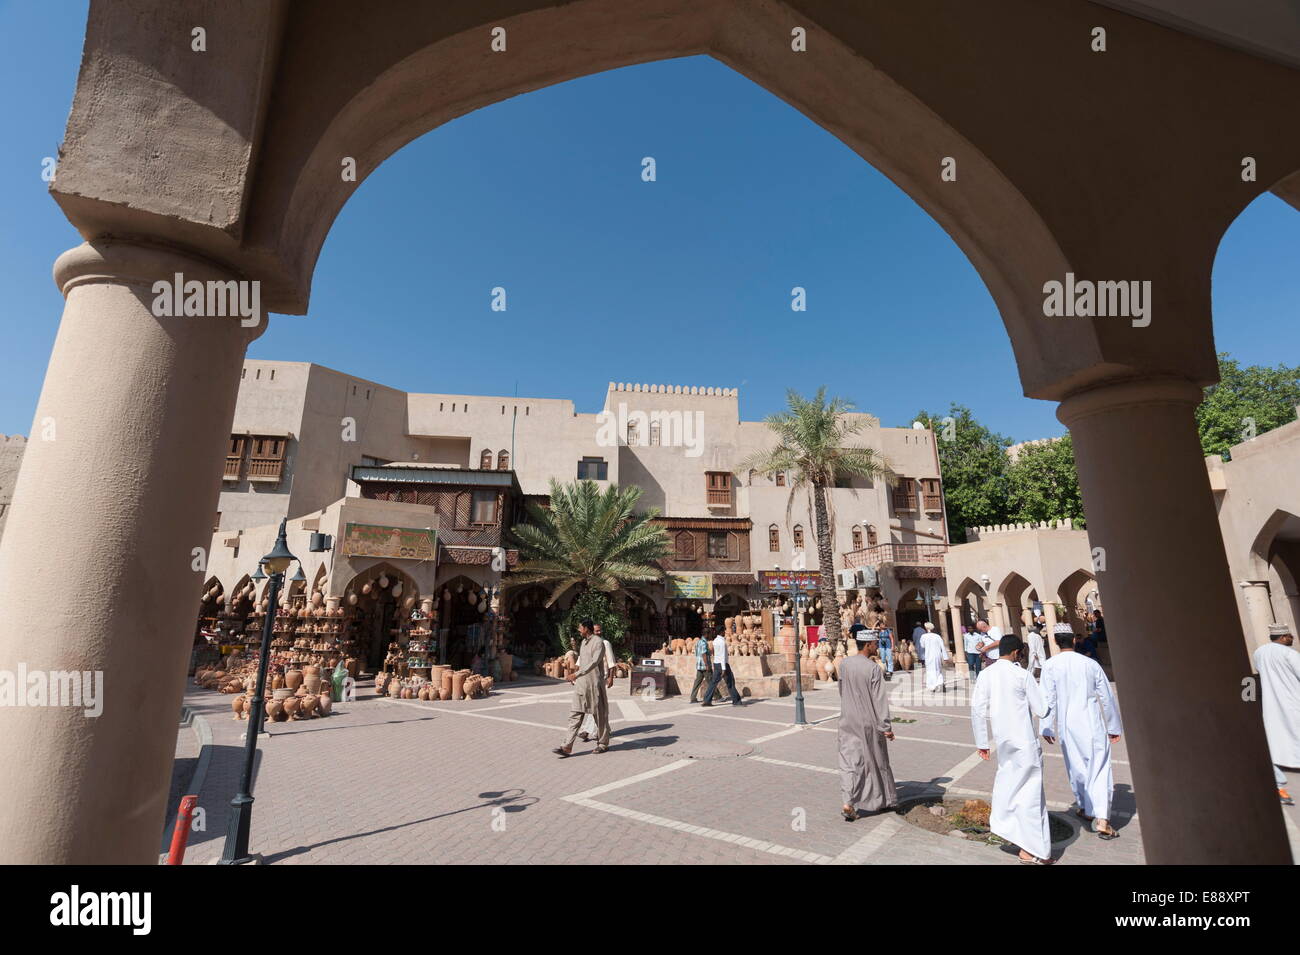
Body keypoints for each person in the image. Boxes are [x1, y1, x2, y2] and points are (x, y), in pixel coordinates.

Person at [970, 634, 1053, 864]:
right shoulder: (1021, 674)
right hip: (1025, 743)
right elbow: (1042, 708)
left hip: (1003, 743)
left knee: (1009, 787)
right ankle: (1033, 850)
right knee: (1031, 794)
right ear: (1016, 653)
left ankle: (1011, 832)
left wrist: (982, 743)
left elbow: (977, 709)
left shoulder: (986, 674)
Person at [1040, 623, 1122, 839]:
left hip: (1068, 726)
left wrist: (1046, 725)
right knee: (1099, 768)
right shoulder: (1089, 664)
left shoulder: (1050, 665)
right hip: (1091, 722)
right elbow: (1106, 695)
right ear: (1074, 640)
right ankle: (1101, 818)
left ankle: (1087, 808)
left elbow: (1047, 698)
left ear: (1056, 642)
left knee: (1077, 768)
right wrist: (1113, 726)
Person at [837, 631, 897, 821]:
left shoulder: (845, 664)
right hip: (868, 721)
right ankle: (883, 799)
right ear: (868, 644)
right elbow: (879, 700)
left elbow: (841, 688)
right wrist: (886, 726)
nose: (877, 646)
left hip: (847, 719)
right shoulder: (873, 668)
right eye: (875, 643)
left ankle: (848, 801)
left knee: (848, 761)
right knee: (875, 760)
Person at [1253, 623, 1300, 806]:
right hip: (1293, 702)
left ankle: (1278, 785)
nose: (1292, 638)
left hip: (1272, 704)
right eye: (1289, 635)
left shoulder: (1259, 652)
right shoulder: (1290, 654)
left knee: (1275, 742)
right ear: (1282, 637)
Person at [553, 619, 609, 756]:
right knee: (575, 715)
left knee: (599, 716)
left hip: (594, 685)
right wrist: (575, 675)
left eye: (580, 627)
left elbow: (594, 662)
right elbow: (582, 662)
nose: (579, 629)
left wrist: (576, 674)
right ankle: (566, 746)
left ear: (586, 629)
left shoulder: (599, 642)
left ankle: (603, 743)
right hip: (581, 685)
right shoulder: (583, 643)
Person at [579, 623, 617, 741]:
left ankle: (587, 730)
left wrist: (611, 678)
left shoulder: (605, 643)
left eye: (600, 630)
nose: (599, 633)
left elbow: (611, 662)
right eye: (596, 631)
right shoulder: (586, 643)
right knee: (593, 705)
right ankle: (605, 729)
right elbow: (581, 661)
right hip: (587, 679)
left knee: (596, 704)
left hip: (600, 679)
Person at [702, 628, 743, 707]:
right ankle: (736, 701)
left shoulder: (715, 641)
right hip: (723, 665)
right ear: (721, 632)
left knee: (713, 683)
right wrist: (724, 668)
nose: (725, 632)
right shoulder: (722, 642)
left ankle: (707, 700)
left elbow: (715, 653)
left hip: (716, 664)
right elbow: (723, 656)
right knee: (730, 683)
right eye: (724, 631)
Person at [919, 621, 949, 693]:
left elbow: (922, 646)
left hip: (929, 655)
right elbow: (942, 647)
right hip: (937, 655)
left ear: (926, 628)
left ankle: (933, 686)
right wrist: (945, 657)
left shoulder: (924, 636)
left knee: (930, 671)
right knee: (938, 670)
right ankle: (939, 682)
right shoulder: (937, 636)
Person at [689, 631, 712, 704]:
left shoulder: (698, 642)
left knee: (697, 682)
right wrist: (707, 665)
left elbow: (696, 653)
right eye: (709, 633)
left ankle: (693, 698)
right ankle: (718, 696)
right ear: (706, 634)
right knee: (711, 681)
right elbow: (704, 654)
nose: (710, 635)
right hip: (704, 666)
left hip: (699, 665)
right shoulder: (703, 643)